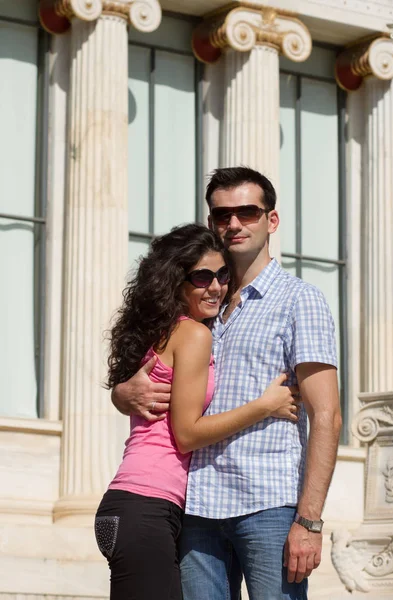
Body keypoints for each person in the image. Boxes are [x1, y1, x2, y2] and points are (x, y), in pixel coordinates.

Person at [112, 167, 342, 600]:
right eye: (222, 215)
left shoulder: (299, 300)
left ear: (271, 221)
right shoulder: (202, 301)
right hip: (196, 508)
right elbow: (149, 373)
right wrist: (121, 393)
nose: (234, 223)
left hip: (268, 505)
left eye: (247, 212)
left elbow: (327, 413)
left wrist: (309, 521)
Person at [95, 222, 301, 600]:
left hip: (133, 509)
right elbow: (187, 434)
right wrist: (263, 406)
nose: (216, 287)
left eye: (223, 275)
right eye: (202, 277)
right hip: (147, 508)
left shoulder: (163, 330)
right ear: (175, 281)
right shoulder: (193, 334)